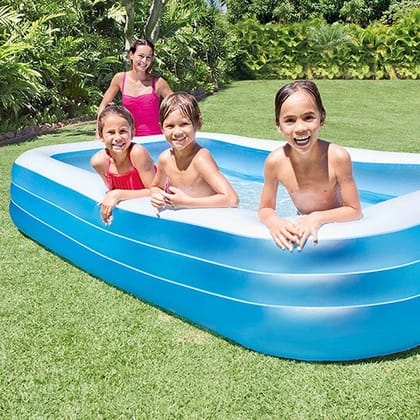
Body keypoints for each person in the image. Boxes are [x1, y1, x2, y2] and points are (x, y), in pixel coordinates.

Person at [259, 80, 362, 251]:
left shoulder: (337, 158)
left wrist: (317, 217)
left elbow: (354, 210)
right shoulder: (275, 162)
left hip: (338, 226)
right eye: (290, 120)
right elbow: (265, 208)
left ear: (322, 118)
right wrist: (273, 221)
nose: (300, 128)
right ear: (278, 125)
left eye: (308, 118)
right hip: (302, 220)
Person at [151, 92, 239, 213]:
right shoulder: (165, 159)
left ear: (198, 123)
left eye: (184, 124)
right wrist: (157, 195)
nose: (177, 132)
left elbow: (231, 199)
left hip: (209, 217)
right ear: (162, 128)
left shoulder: (200, 159)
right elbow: (156, 186)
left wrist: (186, 202)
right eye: (170, 126)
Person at [91, 103, 156, 225]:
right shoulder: (99, 162)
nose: (117, 138)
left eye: (123, 131)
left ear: (133, 133)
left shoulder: (137, 153)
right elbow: (111, 189)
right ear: (101, 136)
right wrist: (114, 194)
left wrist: (117, 194)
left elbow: (156, 191)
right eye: (111, 132)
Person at [97, 38, 173, 137]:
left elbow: (178, 105)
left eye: (148, 57)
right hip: (128, 140)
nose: (144, 61)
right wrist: (98, 134)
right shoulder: (120, 79)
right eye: (141, 56)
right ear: (131, 55)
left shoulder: (158, 83)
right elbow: (103, 106)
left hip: (155, 139)